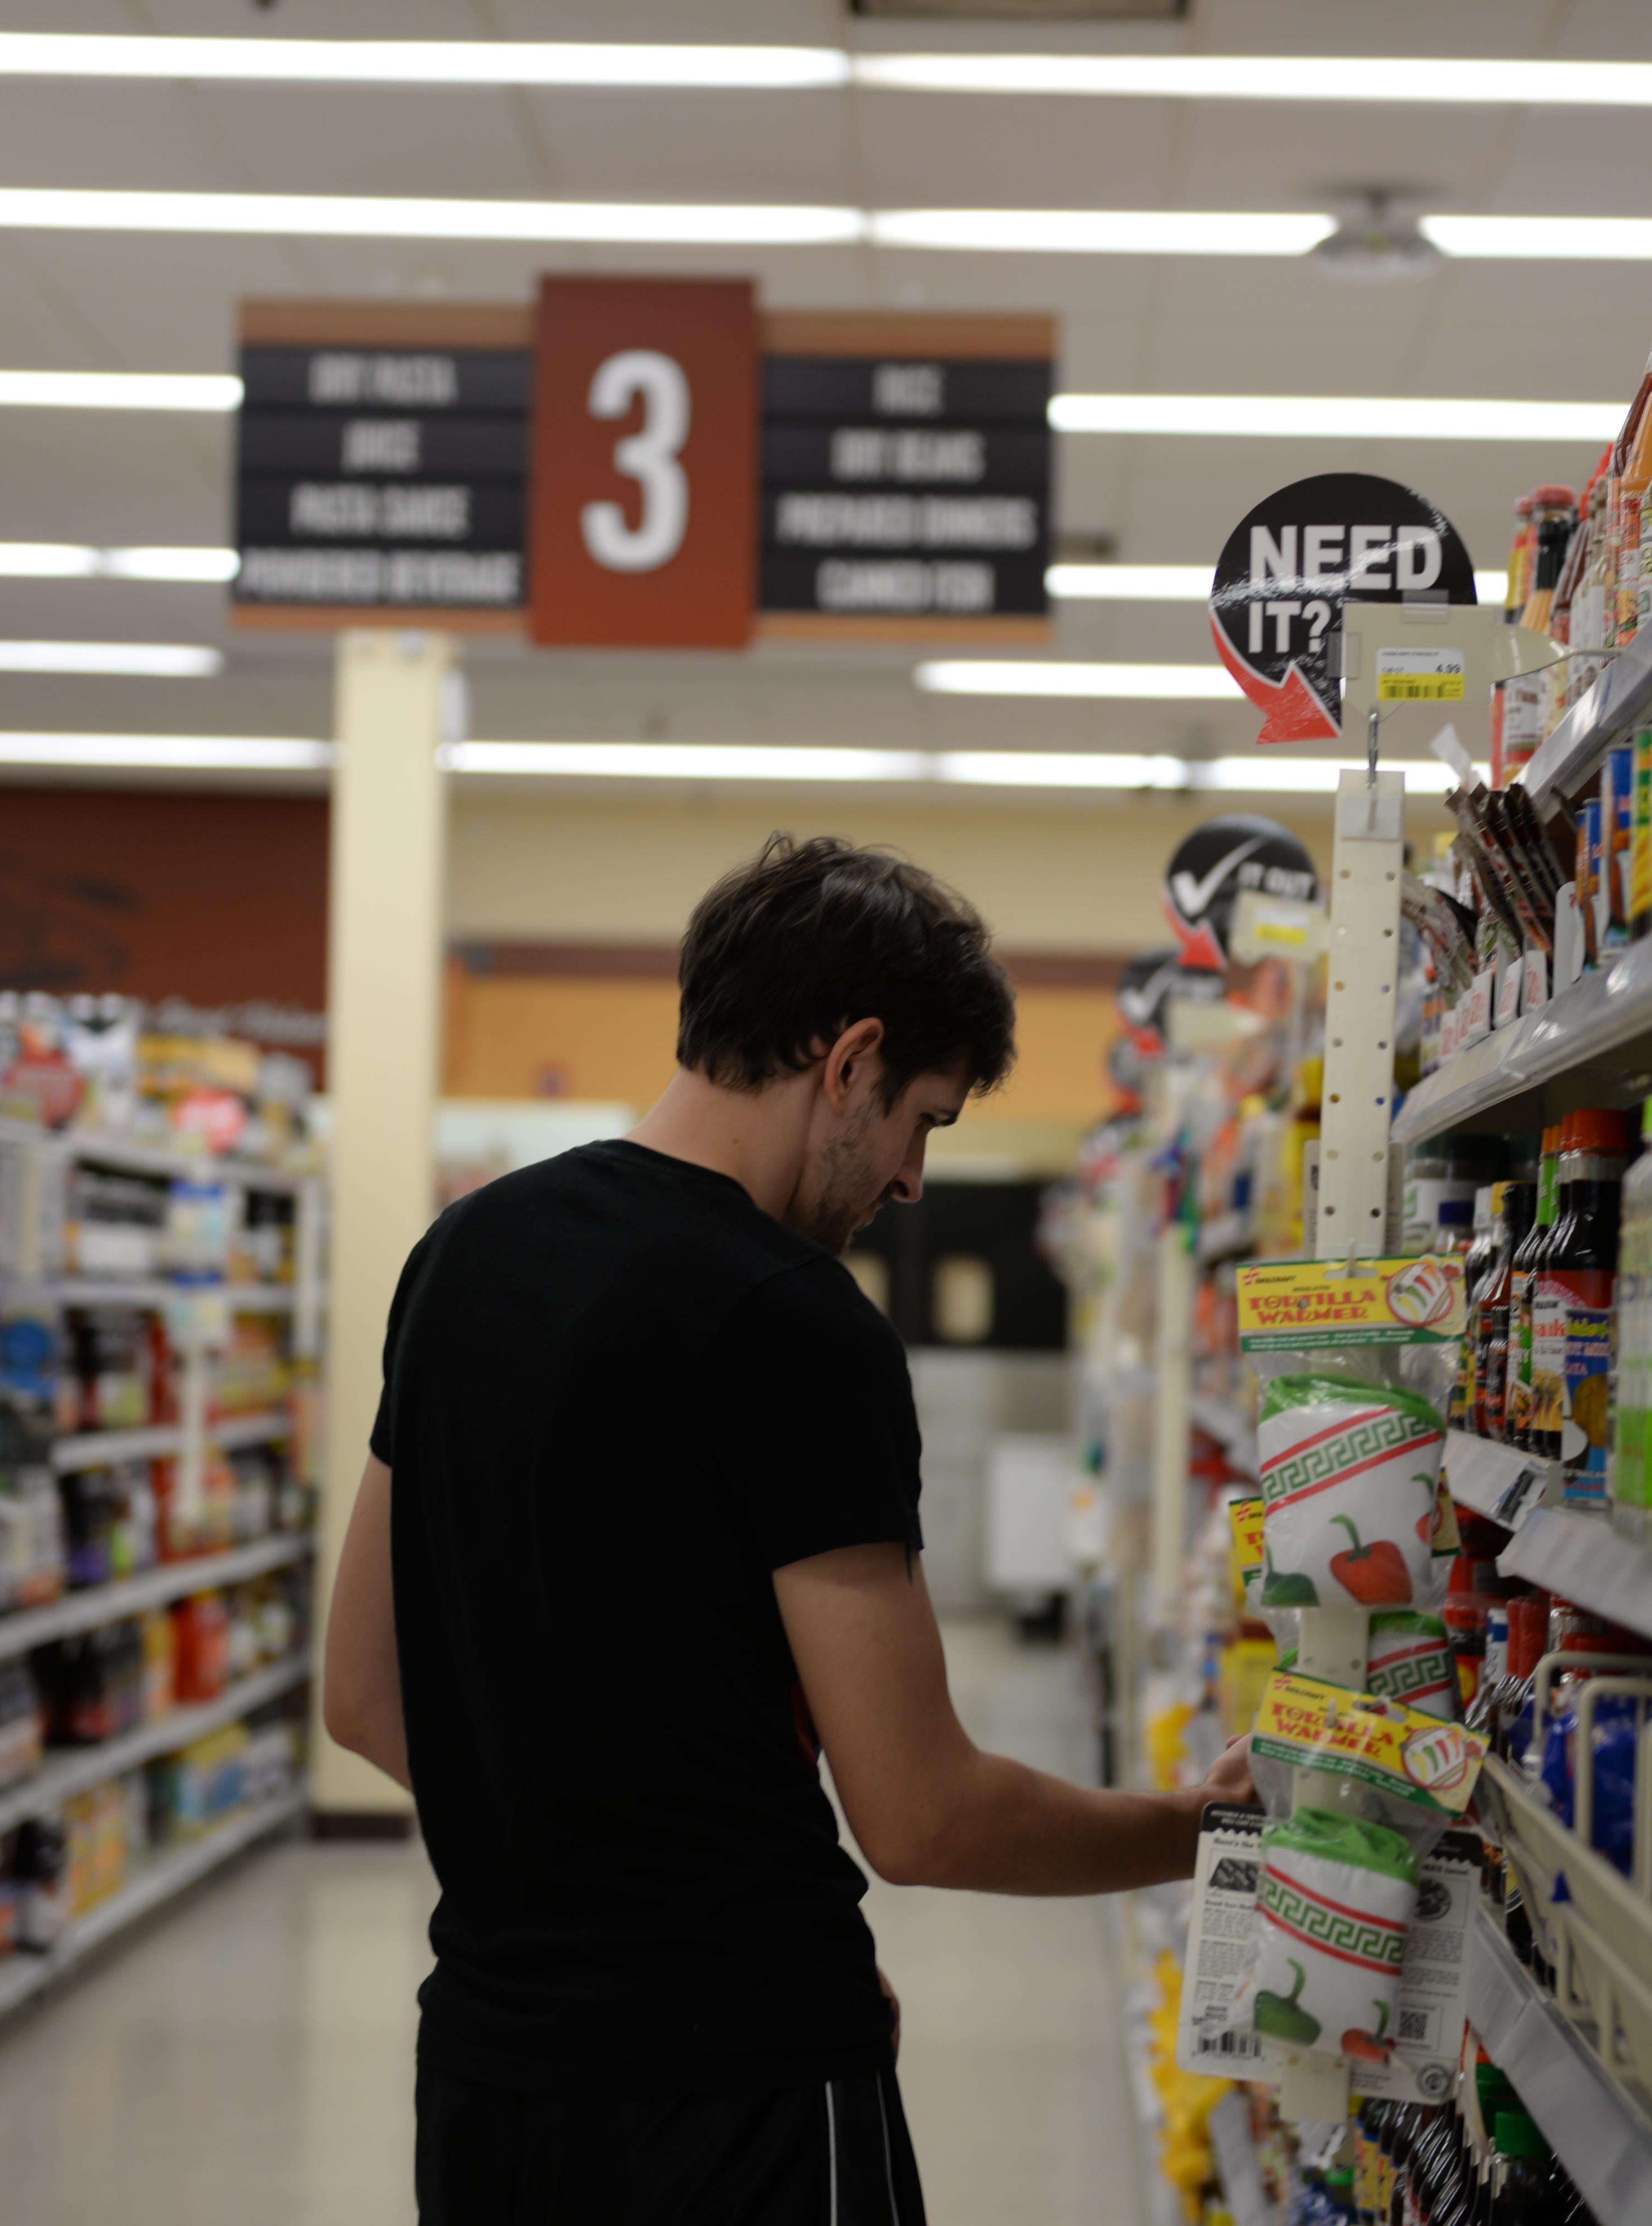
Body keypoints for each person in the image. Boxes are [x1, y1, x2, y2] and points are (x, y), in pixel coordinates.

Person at [324, 833, 1254, 2224]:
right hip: (735, 2097)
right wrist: (1196, 1829)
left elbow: (360, 1694)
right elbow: (923, 1815)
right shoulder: (797, 1324)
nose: (911, 1181)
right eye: (924, 1119)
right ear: (851, 1058)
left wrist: (592, 1880)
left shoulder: (462, 1254)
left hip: (485, 2082)